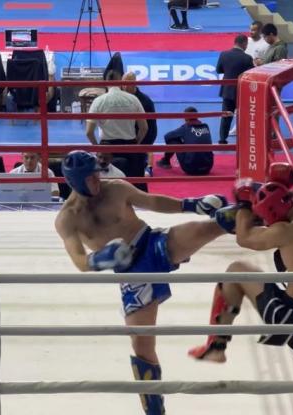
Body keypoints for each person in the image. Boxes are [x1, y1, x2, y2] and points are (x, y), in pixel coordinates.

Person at [55, 151, 230, 415]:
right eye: (91, 177)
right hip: (132, 273)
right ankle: (155, 412)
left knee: (208, 227)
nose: (98, 180)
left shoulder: (115, 188)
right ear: (76, 181)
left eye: (97, 174)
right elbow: (79, 260)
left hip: (152, 243)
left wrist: (190, 204)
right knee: (142, 347)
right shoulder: (67, 219)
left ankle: (260, 215)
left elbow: (152, 201)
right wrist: (100, 259)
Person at [188, 172, 293, 362]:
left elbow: (243, 238)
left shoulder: (284, 231)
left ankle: (215, 349)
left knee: (235, 271)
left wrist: (244, 205)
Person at [86, 70, 148, 189]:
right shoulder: (133, 99)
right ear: (121, 82)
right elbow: (144, 128)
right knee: (135, 187)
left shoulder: (99, 101)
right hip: (130, 147)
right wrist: (135, 143)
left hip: (107, 149)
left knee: (107, 188)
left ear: (106, 82)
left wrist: (98, 149)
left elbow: (89, 132)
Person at [216, 34, 254, 145]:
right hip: (242, 91)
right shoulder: (247, 58)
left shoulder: (223, 54)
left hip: (227, 91)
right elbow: (251, 74)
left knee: (226, 116)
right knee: (243, 116)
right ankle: (244, 139)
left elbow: (219, 70)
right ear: (244, 43)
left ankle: (222, 139)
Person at [122, 71, 157, 189]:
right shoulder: (121, 97)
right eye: (123, 83)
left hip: (145, 133)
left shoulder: (145, 101)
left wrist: (137, 142)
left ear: (134, 84)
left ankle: (148, 166)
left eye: (127, 83)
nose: (124, 86)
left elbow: (148, 129)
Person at [157, 107, 214, 175]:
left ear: (185, 117)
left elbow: (167, 136)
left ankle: (165, 161)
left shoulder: (185, 128)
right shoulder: (205, 126)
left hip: (190, 169)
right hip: (208, 168)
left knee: (173, 140)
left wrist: (182, 143)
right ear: (197, 116)